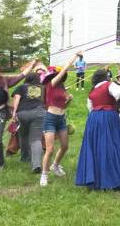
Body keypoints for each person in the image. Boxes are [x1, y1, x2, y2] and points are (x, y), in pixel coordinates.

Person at [75, 69, 120, 190]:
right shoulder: (108, 85)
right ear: (106, 77)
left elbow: (90, 107)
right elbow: (119, 94)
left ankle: (96, 177)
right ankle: (114, 178)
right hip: (108, 117)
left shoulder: (92, 90)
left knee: (96, 146)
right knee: (112, 145)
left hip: (93, 119)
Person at [40, 51, 79, 186]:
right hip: (50, 118)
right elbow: (66, 67)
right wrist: (75, 55)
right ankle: (44, 175)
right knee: (50, 149)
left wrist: (69, 99)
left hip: (61, 119)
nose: (61, 76)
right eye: (59, 74)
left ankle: (55, 166)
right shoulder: (51, 83)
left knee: (64, 146)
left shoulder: (62, 87)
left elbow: (64, 105)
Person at [11, 72, 45, 173]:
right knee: (36, 140)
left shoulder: (21, 87)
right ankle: (36, 165)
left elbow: (16, 99)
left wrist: (14, 113)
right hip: (39, 113)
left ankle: (25, 158)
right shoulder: (42, 88)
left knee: (23, 136)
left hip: (23, 113)